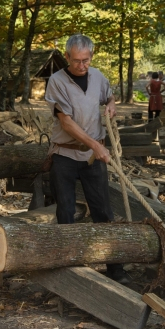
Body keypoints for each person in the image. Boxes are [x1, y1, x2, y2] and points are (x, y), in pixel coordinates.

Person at [45, 34, 129, 284]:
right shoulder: (56, 81)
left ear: (91, 56)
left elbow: (109, 96)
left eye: (86, 60)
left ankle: (115, 269)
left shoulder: (99, 77)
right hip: (64, 155)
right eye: (76, 61)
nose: (82, 65)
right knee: (66, 211)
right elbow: (66, 122)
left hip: (94, 155)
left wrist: (112, 104)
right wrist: (95, 145)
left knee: (103, 210)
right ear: (67, 57)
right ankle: (69, 268)